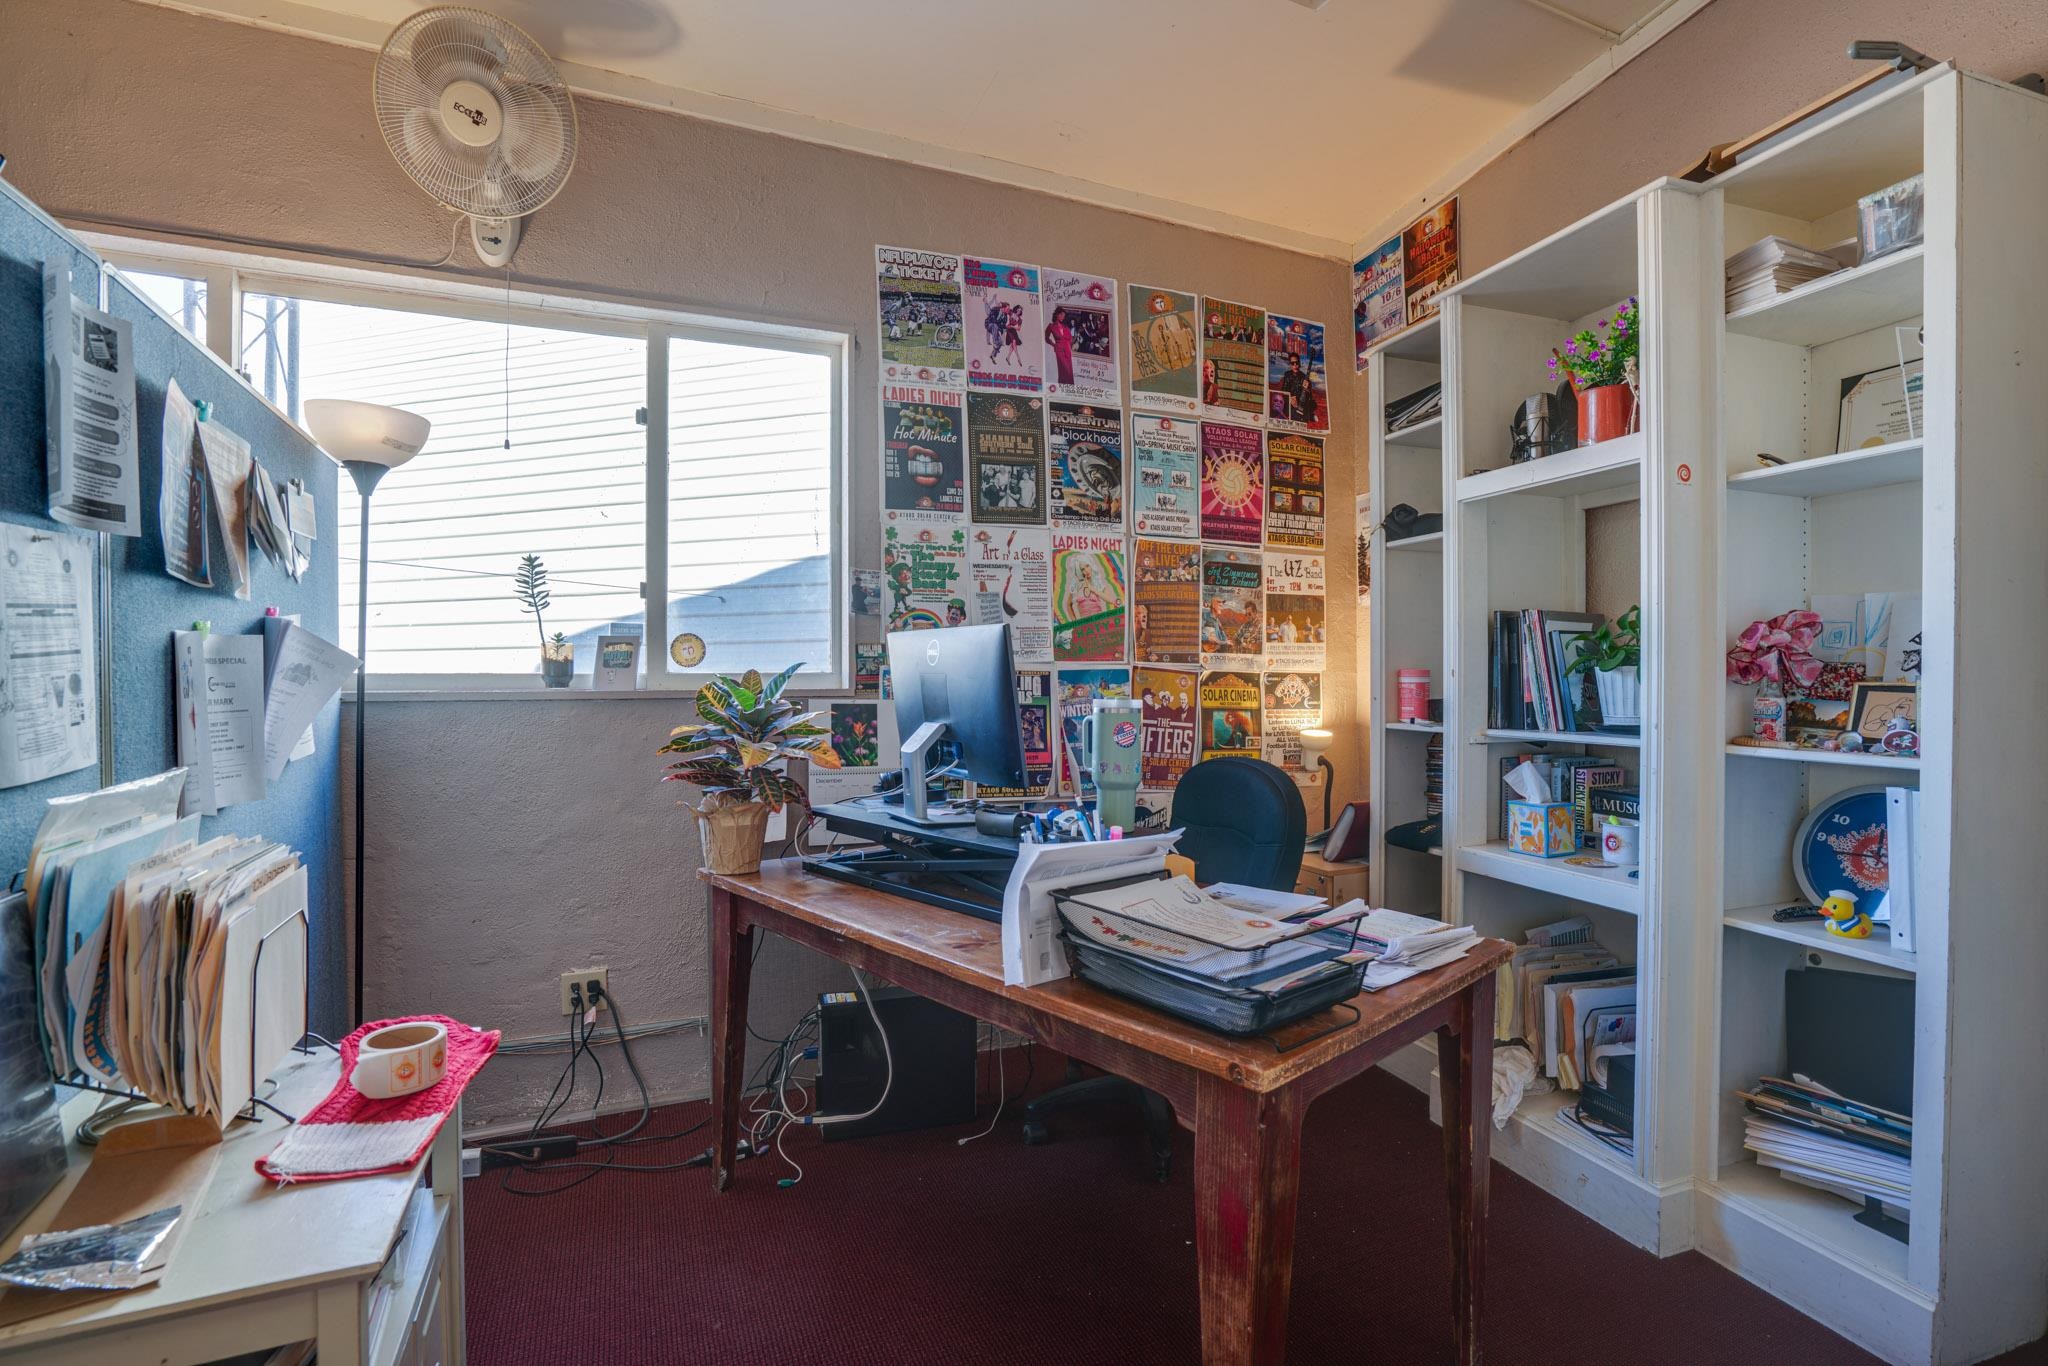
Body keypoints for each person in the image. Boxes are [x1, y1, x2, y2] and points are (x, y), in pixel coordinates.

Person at [1046, 307, 1076, 387]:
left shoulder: (1066, 327)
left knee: (1069, 372)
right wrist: (1053, 345)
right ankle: (1062, 387)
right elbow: (1046, 338)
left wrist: (1071, 343)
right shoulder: (1051, 326)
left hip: (1067, 350)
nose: (1063, 317)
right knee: (1064, 370)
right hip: (1059, 350)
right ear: (1057, 314)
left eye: (1064, 316)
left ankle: (1069, 389)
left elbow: (1071, 339)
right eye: (1061, 315)